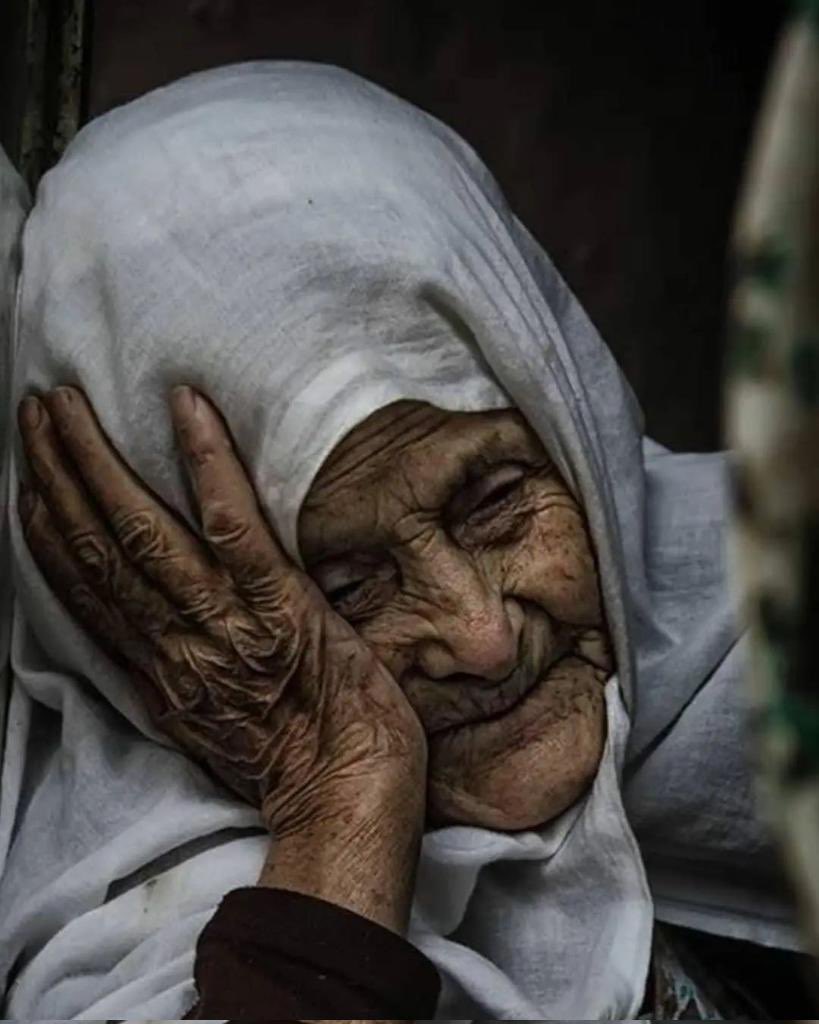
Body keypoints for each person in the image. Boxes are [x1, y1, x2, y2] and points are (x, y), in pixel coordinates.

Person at [0, 62, 806, 1020]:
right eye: (345, 588)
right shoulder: (126, 927)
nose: (482, 638)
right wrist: (343, 795)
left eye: (496, 500)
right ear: (168, 608)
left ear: (571, 416)